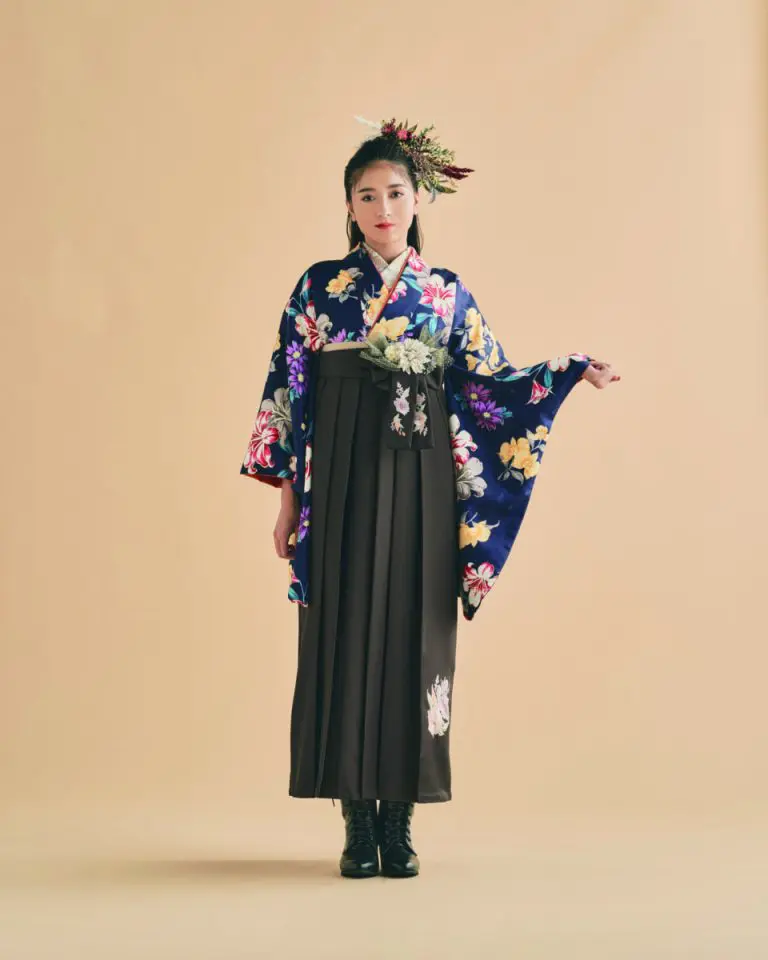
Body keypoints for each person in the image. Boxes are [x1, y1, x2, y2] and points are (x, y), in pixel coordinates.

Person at [240, 116, 620, 879]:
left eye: (395, 193)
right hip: (339, 478)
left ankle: (401, 820)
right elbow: (289, 392)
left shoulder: (445, 294)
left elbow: (491, 385)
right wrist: (287, 502)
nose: (382, 208)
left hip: (421, 480)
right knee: (345, 629)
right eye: (366, 195)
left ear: (418, 201)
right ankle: (357, 821)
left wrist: (566, 373)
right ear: (349, 206)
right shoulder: (318, 289)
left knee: (417, 633)